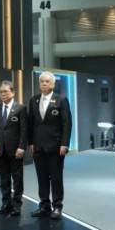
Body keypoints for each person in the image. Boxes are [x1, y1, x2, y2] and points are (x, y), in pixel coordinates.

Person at [27, 71, 72, 220]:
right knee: (42, 178)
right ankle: (44, 205)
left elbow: (67, 124)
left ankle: (57, 206)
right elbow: (31, 124)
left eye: (47, 81)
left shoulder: (61, 100)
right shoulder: (33, 100)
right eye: (42, 81)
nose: (44, 84)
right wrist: (31, 142)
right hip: (38, 147)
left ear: (53, 83)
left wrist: (64, 144)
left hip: (55, 147)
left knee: (56, 177)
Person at [0, 80, 27, 216]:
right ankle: (6, 204)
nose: (2, 94)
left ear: (13, 92)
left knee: (17, 179)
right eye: (0, 92)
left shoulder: (21, 108)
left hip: (16, 151)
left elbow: (24, 130)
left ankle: (17, 205)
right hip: (0, 150)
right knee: (4, 179)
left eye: (5, 91)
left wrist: (21, 147)